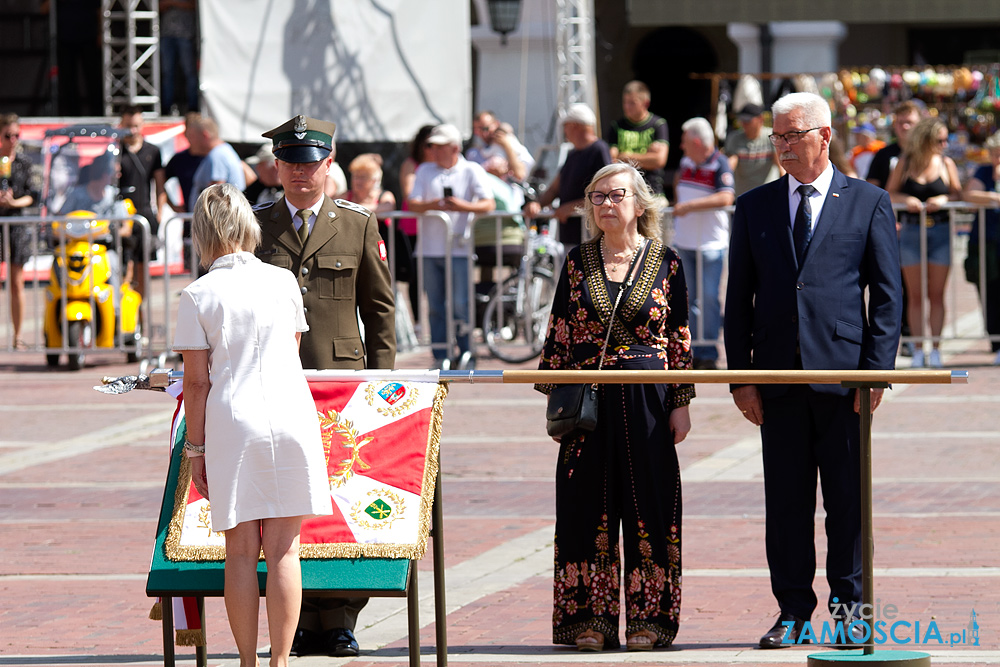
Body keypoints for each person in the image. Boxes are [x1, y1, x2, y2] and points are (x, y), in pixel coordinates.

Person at [724, 92, 902, 649]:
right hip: (777, 378)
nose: (781, 148)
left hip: (844, 377)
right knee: (787, 502)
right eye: (776, 137)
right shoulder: (754, 206)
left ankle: (851, 612)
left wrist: (874, 375)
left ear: (824, 136)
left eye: (792, 136)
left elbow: (888, 298)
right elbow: (739, 301)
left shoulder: (868, 201)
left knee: (848, 502)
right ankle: (793, 612)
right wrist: (742, 378)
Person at [173, 183, 332, 667]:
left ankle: (247, 661)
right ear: (248, 226)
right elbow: (294, 349)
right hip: (290, 413)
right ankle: (281, 661)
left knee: (241, 551)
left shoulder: (197, 294)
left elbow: (196, 384)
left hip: (233, 419)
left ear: (201, 233)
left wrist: (194, 450)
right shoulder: (283, 280)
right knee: (285, 550)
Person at [253, 115, 395, 657]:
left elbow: (379, 309)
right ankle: (301, 616)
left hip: (342, 380)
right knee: (288, 497)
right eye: (290, 162)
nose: (300, 173)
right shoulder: (256, 223)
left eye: (310, 162)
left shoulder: (357, 224)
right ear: (277, 167)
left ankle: (339, 616)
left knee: (340, 496)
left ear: (328, 164)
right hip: (277, 378)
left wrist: (383, 383)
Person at [536, 162, 693, 652]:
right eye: (596, 196)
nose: (605, 204)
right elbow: (558, 332)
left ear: (640, 204)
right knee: (585, 506)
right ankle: (589, 620)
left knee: (651, 503)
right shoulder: (576, 261)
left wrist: (680, 401)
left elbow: (679, 336)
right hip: (588, 398)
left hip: (648, 396)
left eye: (616, 195)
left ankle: (650, 620)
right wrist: (557, 400)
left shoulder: (667, 261)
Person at [406, 123, 493, 368]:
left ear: (454, 148)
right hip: (429, 249)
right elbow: (413, 204)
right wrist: (435, 204)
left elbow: (488, 204)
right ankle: (441, 354)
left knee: (460, 304)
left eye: (439, 146)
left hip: (459, 248)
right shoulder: (424, 170)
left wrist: (461, 206)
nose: (433, 150)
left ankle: (466, 351)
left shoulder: (471, 169)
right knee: (435, 306)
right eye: (432, 146)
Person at [886, 116, 961, 368]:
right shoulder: (905, 163)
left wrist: (944, 199)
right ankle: (918, 349)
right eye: (940, 139)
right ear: (927, 139)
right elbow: (888, 192)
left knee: (937, 295)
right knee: (915, 295)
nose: (944, 143)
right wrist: (905, 200)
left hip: (939, 230)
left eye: (946, 139)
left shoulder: (946, 163)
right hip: (910, 231)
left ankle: (937, 349)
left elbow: (957, 194)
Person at [671, 117, 735, 370]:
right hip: (685, 242)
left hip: (710, 244)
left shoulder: (720, 162)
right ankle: (694, 348)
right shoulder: (686, 162)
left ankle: (707, 350)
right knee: (690, 299)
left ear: (697, 142)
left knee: (708, 298)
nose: (682, 146)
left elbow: (726, 196)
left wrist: (688, 206)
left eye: (685, 141)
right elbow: (679, 183)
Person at [525, 103, 611, 248]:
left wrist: (571, 208)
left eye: (566, 126)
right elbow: (554, 188)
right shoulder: (572, 154)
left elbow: (605, 192)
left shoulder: (599, 150)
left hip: (590, 236)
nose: (564, 131)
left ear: (575, 126)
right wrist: (537, 204)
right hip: (570, 236)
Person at [119, 105, 167, 298]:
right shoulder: (115, 150)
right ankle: (124, 313)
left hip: (145, 214)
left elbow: (160, 184)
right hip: (121, 216)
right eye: (129, 125)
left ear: (143, 124)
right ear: (121, 124)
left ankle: (140, 312)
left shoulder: (153, 151)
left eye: (137, 125)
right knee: (124, 265)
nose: (133, 130)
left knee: (141, 266)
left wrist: (160, 213)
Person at [0, 113, 38, 349]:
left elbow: (33, 195)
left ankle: (17, 336)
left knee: (17, 282)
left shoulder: (24, 162)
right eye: (8, 135)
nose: (13, 140)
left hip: (17, 224)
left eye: (16, 135)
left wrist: (14, 203)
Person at [963, 131, 1000, 366]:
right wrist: (994, 197)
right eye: (995, 153)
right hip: (987, 241)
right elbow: (969, 194)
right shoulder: (984, 171)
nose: (997, 158)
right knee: (990, 291)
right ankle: (996, 343)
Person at [397, 124, 435, 320]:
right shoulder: (411, 164)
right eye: (429, 144)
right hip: (413, 227)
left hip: (435, 228)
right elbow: (409, 194)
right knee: (415, 276)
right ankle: (419, 322)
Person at [606, 80, 669, 195]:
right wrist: (647, 157)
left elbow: (659, 160)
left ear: (646, 103)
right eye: (624, 102)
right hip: (624, 190)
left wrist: (625, 157)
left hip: (652, 191)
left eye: (632, 103)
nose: (626, 107)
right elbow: (612, 160)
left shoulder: (657, 124)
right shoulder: (617, 126)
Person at [188, 114, 245, 208]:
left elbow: (217, 197)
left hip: (217, 220)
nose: (189, 141)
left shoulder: (217, 156)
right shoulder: (222, 151)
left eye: (192, 136)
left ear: (205, 135)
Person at [724, 102, 782, 196]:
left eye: (748, 121)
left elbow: (780, 166)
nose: (744, 124)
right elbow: (731, 163)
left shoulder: (771, 137)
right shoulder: (734, 138)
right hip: (743, 196)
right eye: (742, 120)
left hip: (767, 195)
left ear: (760, 119)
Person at [866, 100, 923, 190]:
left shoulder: (928, 154)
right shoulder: (882, 154)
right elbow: (871, 188)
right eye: (900, 123)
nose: (905, 126)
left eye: (909, 122)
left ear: (919, 125)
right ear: (895, 125)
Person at [466, 110, 535, 183]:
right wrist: (490, 172)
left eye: (486, 128)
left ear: (496, 124)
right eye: (477, 131)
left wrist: (507, 146)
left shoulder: (513, 144)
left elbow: (520, 174)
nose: (484, 134)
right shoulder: (474, 153)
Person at [159, 0, 199, 114]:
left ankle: (193, 107)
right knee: (167, 72)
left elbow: (194, 5)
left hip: (186, 35)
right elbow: (159, 6)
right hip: (167, 34)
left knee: (189, 72)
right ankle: (167, 107)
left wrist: (172, 3)